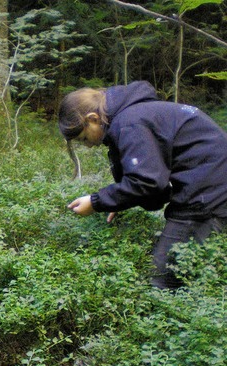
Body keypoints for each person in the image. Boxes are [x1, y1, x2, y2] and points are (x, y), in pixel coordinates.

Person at [59, 80, 227, 289]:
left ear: (92, 119)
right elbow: (152, 182)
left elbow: (147, 182)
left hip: (209, 193)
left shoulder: (131, 123)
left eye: (84, 138)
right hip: (209, 184)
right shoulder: (135, 115)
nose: (89, 145)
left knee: (160, 281)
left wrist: (96, 202)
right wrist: (119, 201)